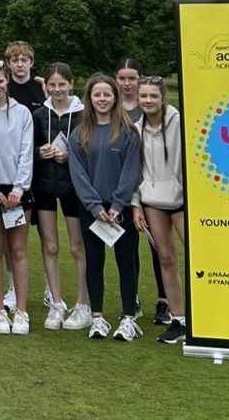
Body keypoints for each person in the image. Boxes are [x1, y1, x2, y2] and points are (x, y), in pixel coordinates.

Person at [68, 73, 143, 342]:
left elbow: (132, 170)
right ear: (89, 98)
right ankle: (97, 317)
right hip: (91, 210)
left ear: (115, 97)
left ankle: (128, 318)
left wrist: (119, 203)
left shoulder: (127, 131)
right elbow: (77, 173)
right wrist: (95, 206)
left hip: (119, 210)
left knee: (126, 261)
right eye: (97, 94)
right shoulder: (79, 134)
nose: (102, 99)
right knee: (94, 261)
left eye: (107, 94)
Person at [31, 62, 91, 331]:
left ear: (71, 84)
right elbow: (28, 148)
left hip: (73, 188)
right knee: (50, 246)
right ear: (46, 86)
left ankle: (82, 304)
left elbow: (90, 150)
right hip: (44, 186)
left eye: (61, 84)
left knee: (78, 248)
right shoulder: (38, 114)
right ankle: (56, 303)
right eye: (52, 85)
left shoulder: (83, 114)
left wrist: (70, 157)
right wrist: (39, 154)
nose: (56, 89)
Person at [131, 75, 187, 344]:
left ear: (163, 98)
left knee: (198, 258)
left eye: (153, 96)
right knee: (165, 258)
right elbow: (133, 170)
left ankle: (209, 315)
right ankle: (179, 320)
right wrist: (135, 204)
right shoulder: (135, 128)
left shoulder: (179, 121)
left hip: (182, 199)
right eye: (144, 96)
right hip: (152, 199)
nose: (148, 101)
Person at [0, 60, 35, 335]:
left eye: (0, 81)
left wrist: (19, 188)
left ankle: (21, 310)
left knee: (18, 250)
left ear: (7, 81)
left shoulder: (23, 113)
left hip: (17, 191)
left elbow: (26, 153)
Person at [114, 57, 168, 322]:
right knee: (127, 247)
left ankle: (164, 299)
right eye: (122, 78)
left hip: (152, 187)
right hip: (122, 189)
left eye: (132, 77)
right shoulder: (111, 107)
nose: (127, 83)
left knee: (158, 246)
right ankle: (131, 298)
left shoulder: (149, 105)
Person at [5, 41, 46, 112]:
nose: (20, 65)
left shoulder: (42, 88)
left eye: (24, 60)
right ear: (8, 64)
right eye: (15, 61)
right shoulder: (3, 89)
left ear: (31, 62)